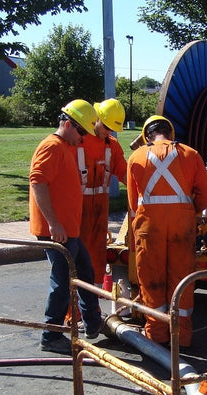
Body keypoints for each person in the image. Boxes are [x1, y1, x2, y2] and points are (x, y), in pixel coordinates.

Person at [127, 115, 207, 348]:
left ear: (147, 136)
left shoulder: (136, 156)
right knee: (181, 280)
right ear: (171, 134)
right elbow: (206, 196)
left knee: (152, 280)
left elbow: (133, 203)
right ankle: (182, 337)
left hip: (149, 228)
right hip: (182, 227)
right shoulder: (190, 154)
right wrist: (187, 211)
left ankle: (156, 337)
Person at [29, 99, 103, 355]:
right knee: (62, 282)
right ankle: (51, 336)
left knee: (85, 271)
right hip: (58, 231)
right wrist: (54, 223)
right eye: (81, 132)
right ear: (68, 124)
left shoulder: (64, 146)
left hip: (68, 230)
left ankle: (92, 324)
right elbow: (37, 183)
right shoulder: (51, 146)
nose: (83, 138)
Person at [77, 98, 127, 285]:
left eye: (111, 128)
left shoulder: (111, 145)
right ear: (95, 118)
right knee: (75, 261)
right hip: (77, 214)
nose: (107, 131)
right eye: (105, 126)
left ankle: (92, 305)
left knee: (97, 258)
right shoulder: (78, 141)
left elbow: (124, 173)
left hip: (99, 214)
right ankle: (71, 312)